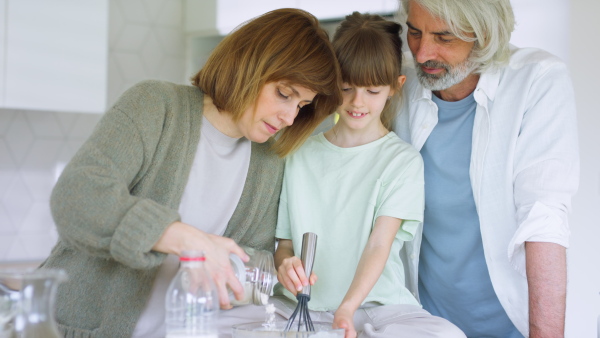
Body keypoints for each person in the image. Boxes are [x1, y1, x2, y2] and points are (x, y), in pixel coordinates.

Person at [41, 8, 342, 338]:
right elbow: (77, 196)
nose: (289, 116)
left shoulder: (268, 163)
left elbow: (248, 262)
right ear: (249, 65)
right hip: (70, 328)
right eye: (284, 94)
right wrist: (185, 238)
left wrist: (271, 273)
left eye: (301, 106)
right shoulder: (156, 105)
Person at [271, 12, 465, 338]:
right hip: (301, 307)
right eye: (345, 87)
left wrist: (347, 308)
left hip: (379, 308)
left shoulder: (401, 161)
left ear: (394, 87)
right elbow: (284, 243)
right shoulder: (299, 154)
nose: (357, 102)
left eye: (372, 90)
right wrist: (285, 264)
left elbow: (379, 244)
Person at [393, 1, 579, 337]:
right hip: (427, 324)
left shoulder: (536, 81)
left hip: (513, 325)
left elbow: (544, 219)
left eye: (444, 38)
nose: (422, 53)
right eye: (414, 32)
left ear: (484, 36)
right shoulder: (402, 87)